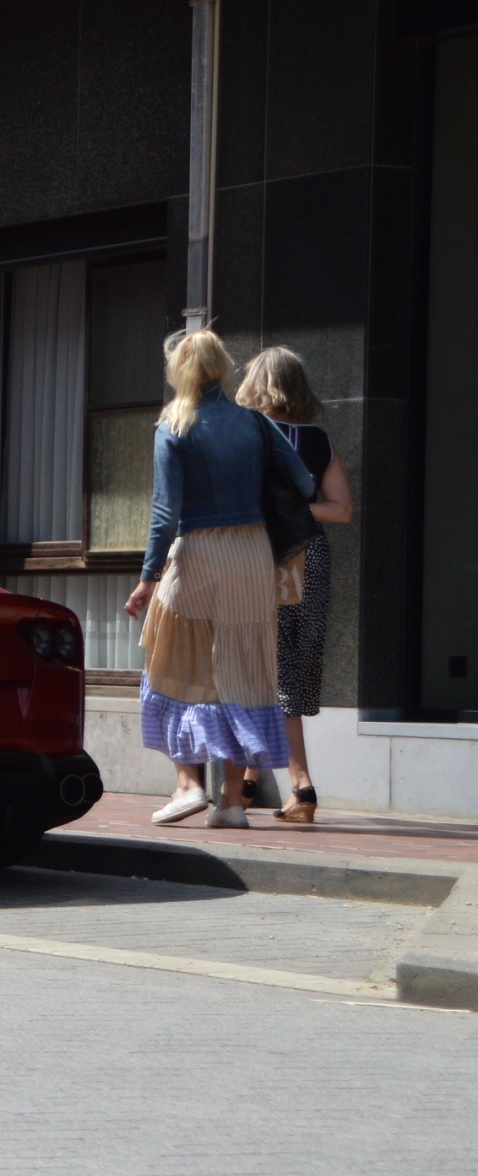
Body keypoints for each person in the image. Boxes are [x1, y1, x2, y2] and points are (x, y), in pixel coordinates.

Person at [124, 327, 316, 828]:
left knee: (169, 659)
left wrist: (147, 578)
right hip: (253, 555)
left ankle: (188, 784)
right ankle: (232, 800)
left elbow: (165, 512)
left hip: (200, 552)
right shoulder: (255, 422)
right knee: (243, 672)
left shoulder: (174, 425)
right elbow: (303, 481)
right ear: (223, 367)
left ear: (178, 372)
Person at [235, 345, 354, 823]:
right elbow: (342, 510)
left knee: (268, 668)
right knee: (288, 668)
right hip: (313, 555)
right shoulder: (318, 440)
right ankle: (246, 783)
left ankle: (301, 784)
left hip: (265, 557)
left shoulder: (249, 435)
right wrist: (298, 510)